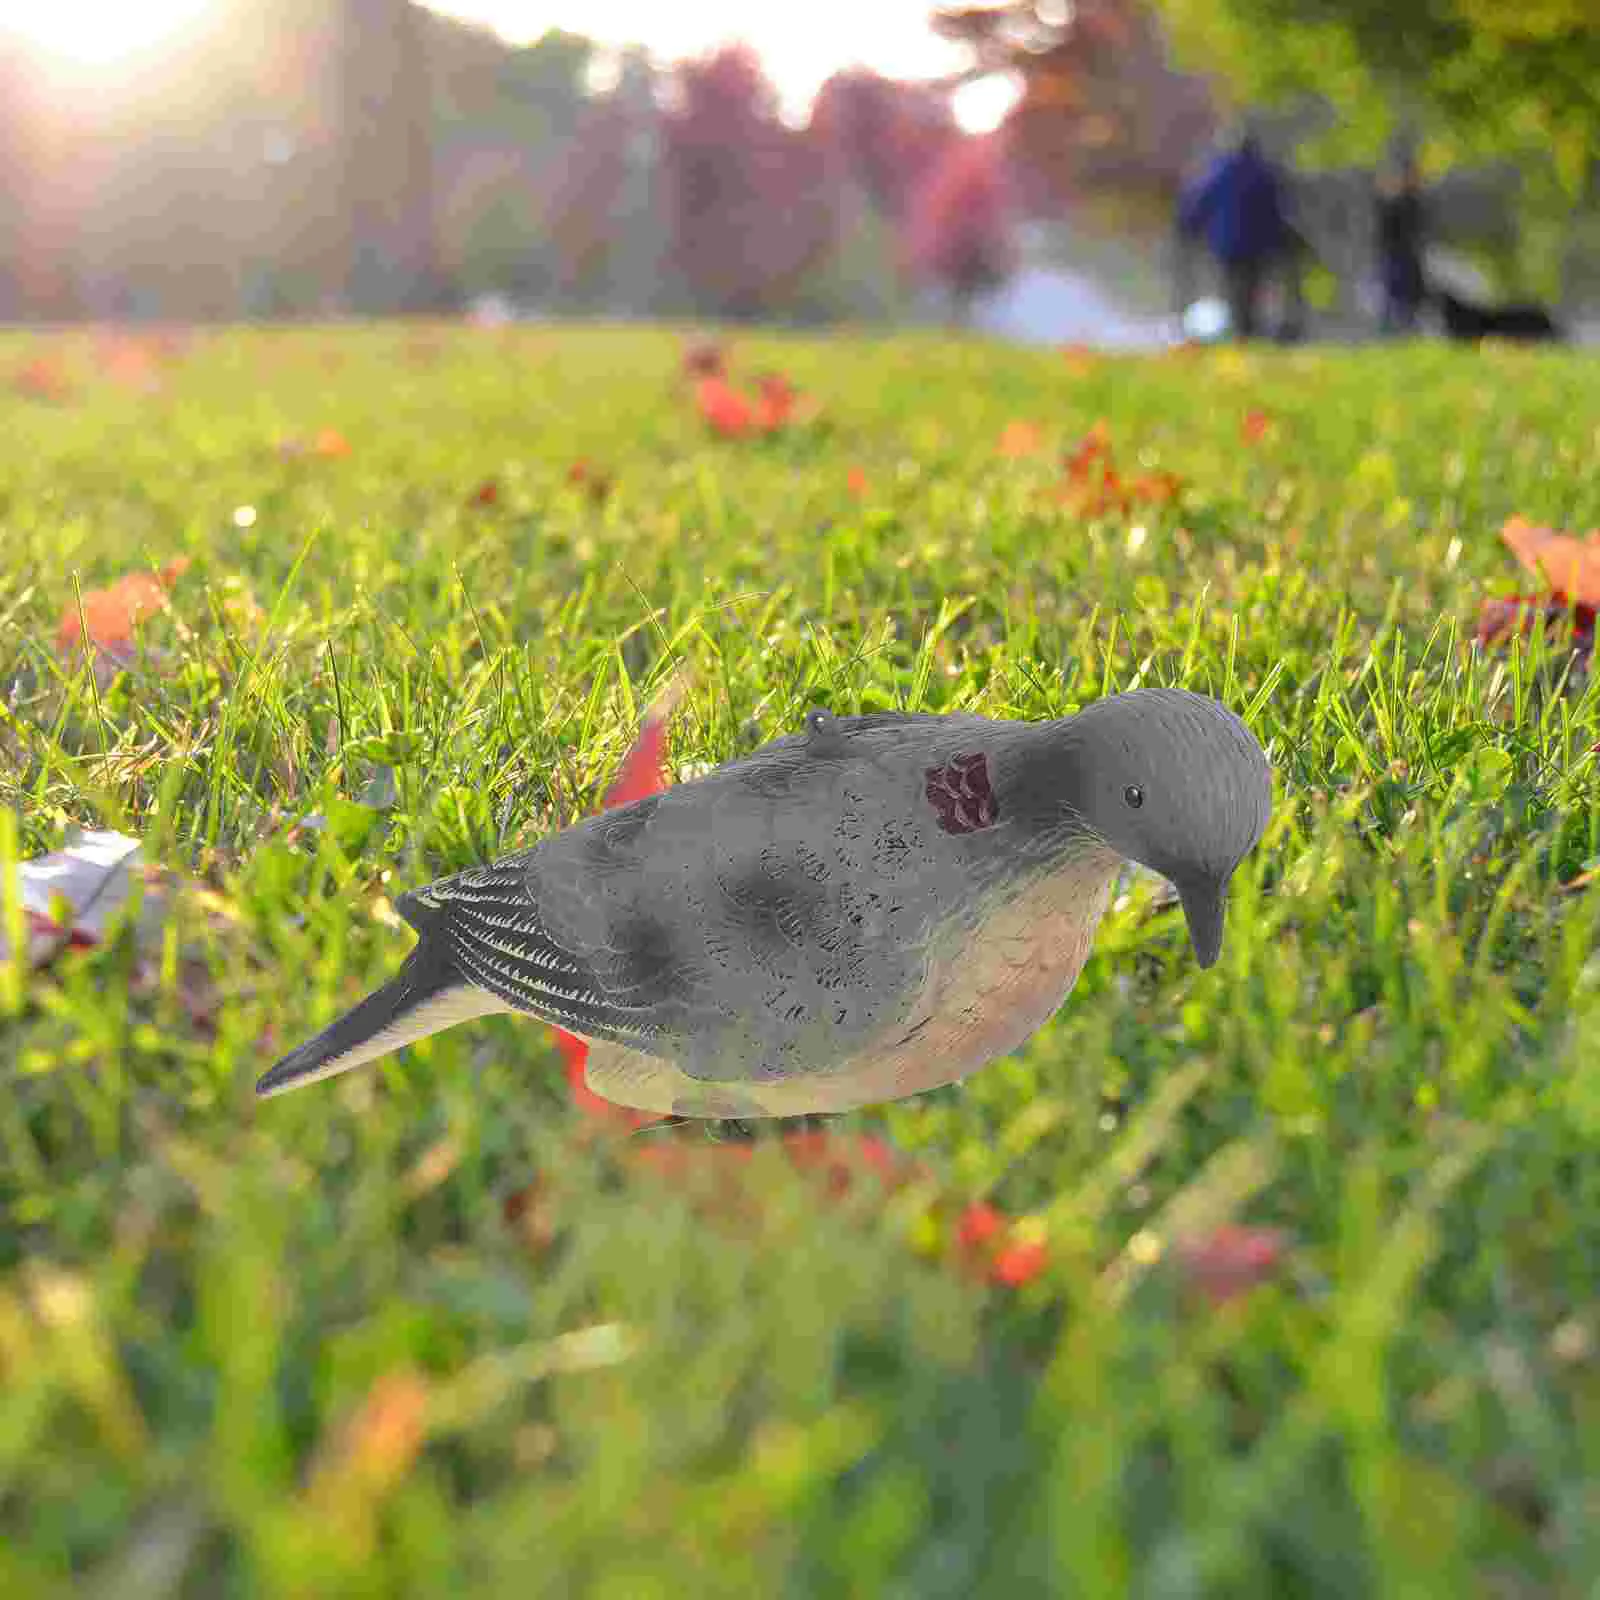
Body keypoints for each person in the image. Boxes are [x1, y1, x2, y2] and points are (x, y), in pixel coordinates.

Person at [1175, 126, 1291, 341]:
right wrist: (1278, 239)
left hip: (1226, 242)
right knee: (1252, 285)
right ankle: (1248, 329)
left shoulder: (1218, 173)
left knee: (1233, 286)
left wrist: (1190, 227)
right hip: (1257, 242)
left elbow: (1198, 203)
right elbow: (1276, 209)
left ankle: (1241, 330)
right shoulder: (1263, 173)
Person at [1374, 154, 1427, 334]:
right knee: (1393, 296)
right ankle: (1391, 331)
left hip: (1407, 256)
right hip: (1395, 256)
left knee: (1408, 297)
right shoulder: (1393, 202)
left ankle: (1405, 329)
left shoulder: (1412, 201)